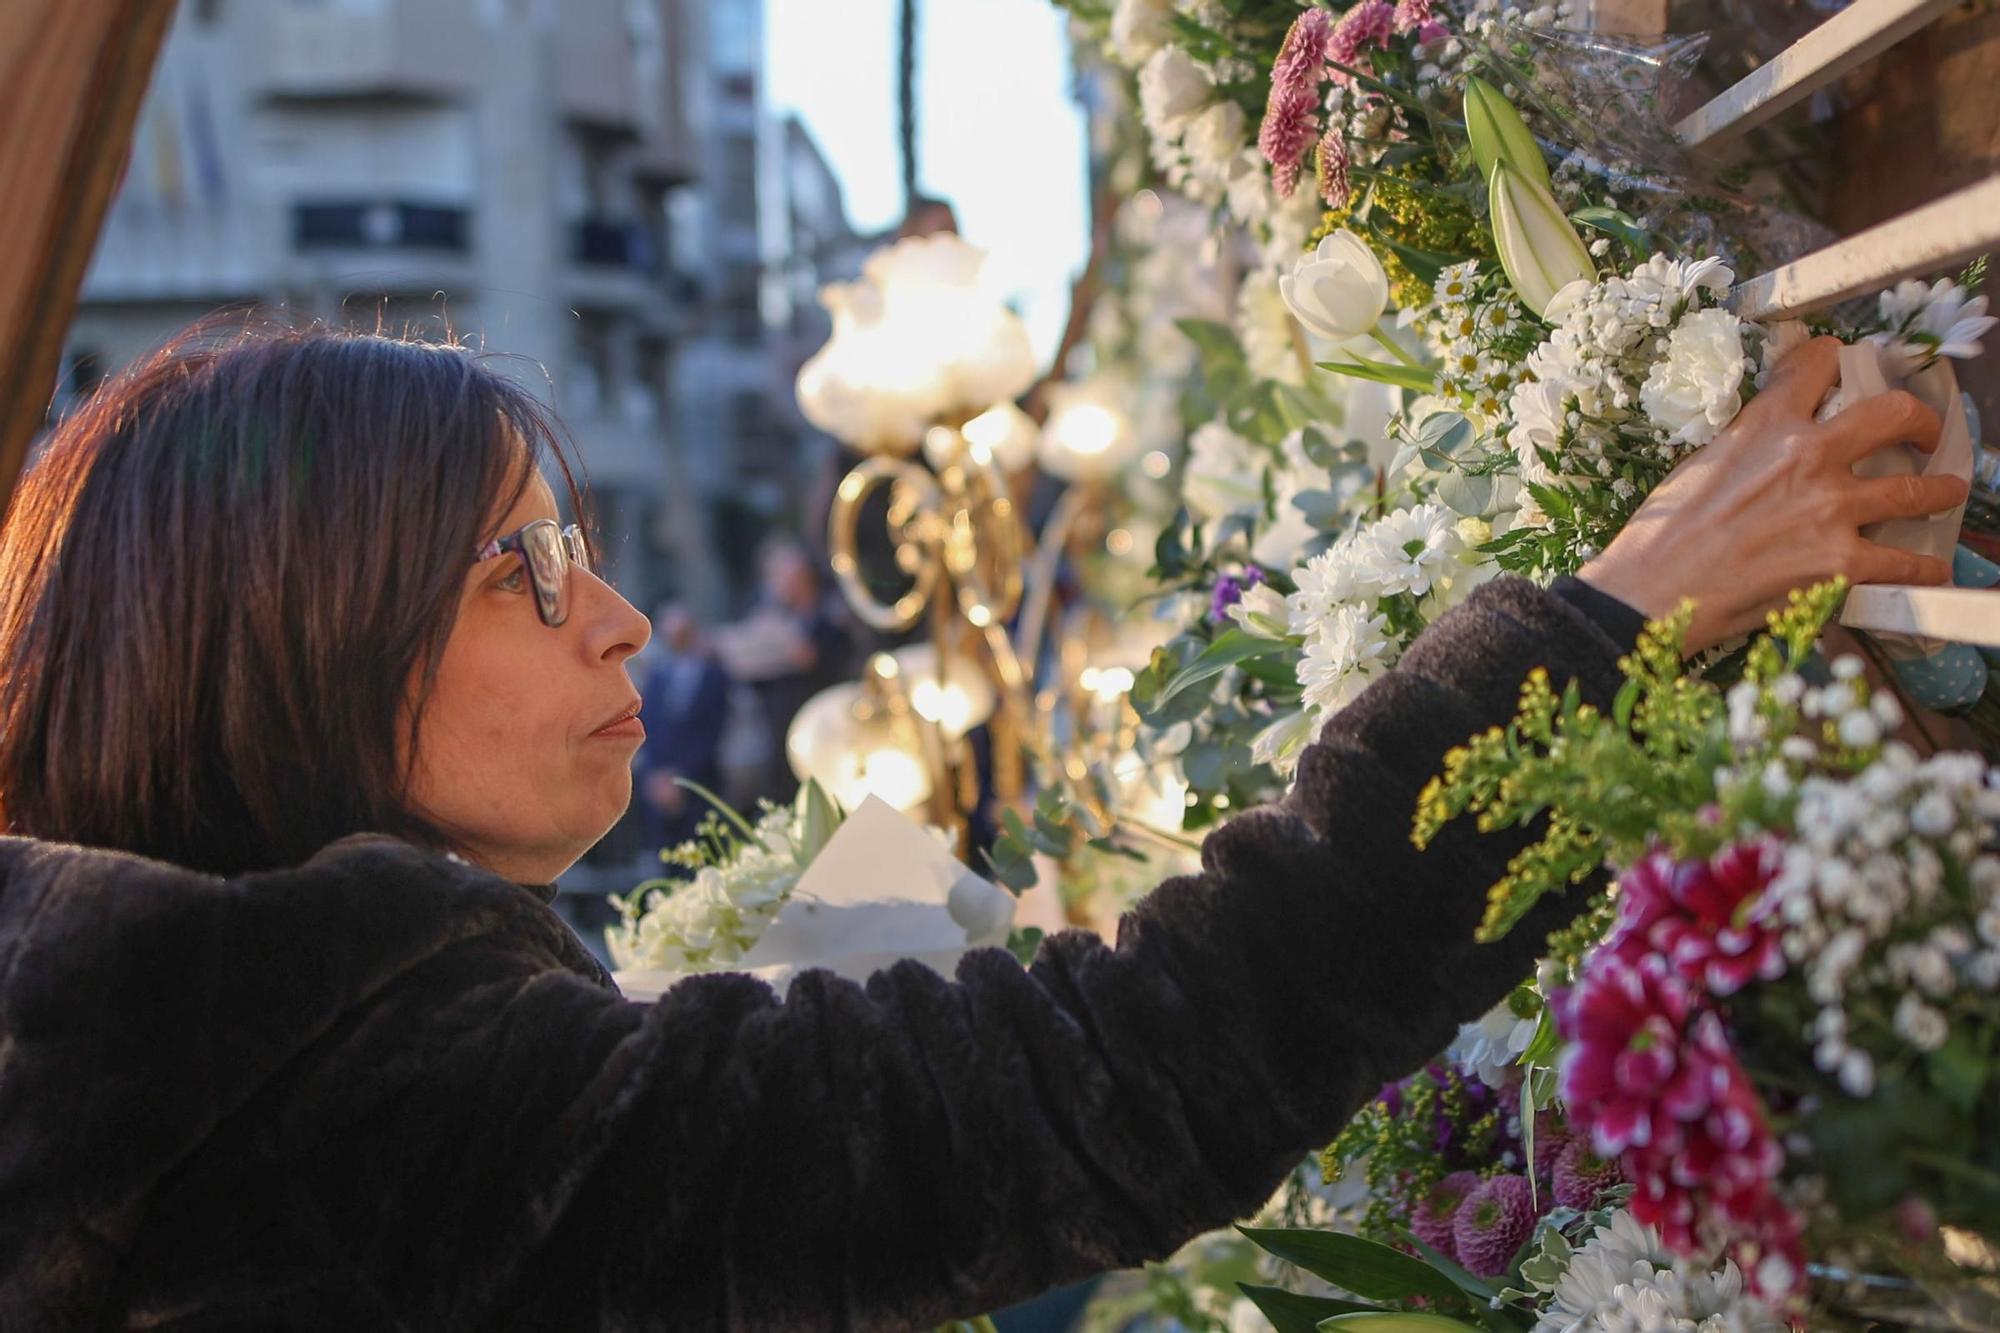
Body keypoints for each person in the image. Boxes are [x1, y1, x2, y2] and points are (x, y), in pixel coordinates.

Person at [0, 322, 1961, 1330]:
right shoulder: (360, 1102)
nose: (617, 614)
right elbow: (1119, 1069)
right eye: (526, 562)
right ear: (294, 637)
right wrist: (1600, 626)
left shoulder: (157, 1039)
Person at [637, 602, 732, 852]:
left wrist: (681, 778)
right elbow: (649, 727)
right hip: (659, 785)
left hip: (698, 784)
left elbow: (712, 733)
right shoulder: (657, 676)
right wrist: (655, 775)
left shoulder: (713, 675)